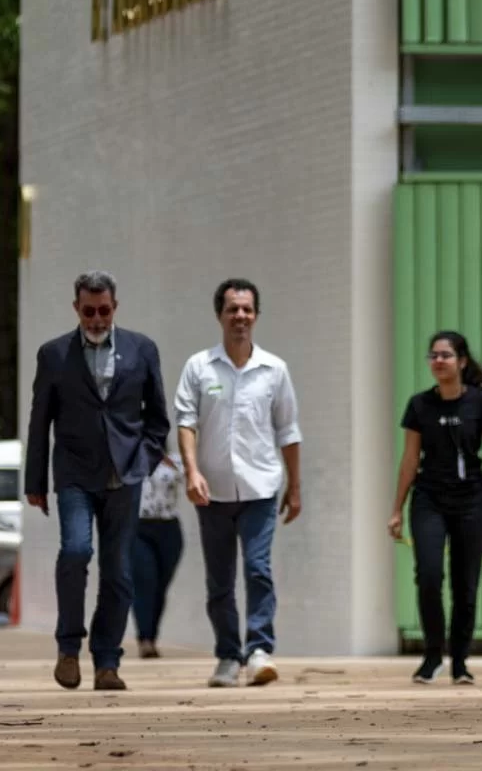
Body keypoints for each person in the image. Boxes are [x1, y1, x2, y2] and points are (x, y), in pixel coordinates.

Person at [24, 270, 170, 692]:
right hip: (73, 473)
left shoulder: (142, 350)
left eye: (104, 310)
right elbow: (39, 422)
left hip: (125, 474)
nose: (96, 318)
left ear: (115, 307)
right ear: (76, 309)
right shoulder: (53, 355)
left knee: (119, 572)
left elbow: (157, 418)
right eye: (89, 311)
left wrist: (145, 458)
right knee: (75, 551)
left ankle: (107, 662)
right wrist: (35, 479)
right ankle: (68, 649)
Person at [175, 278, 303, 690]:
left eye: (247, 309)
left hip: (261, 489)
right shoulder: (199, 367)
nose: (240, 317)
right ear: (220, 316)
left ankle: (260, 650)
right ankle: (228, 655)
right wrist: (192, 472)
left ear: (257, 315)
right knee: (219, 581)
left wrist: (295, 487)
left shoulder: (274, 370)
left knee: (257, 568)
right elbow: (186, 422)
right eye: (233, 310)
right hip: (210, 492)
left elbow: (288, 430)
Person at [387, 330, 482, 685]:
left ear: (461, 361)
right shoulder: (419, 405)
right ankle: (431, 656)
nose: (438, 361)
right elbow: (410, 459)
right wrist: (396, 508)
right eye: (433, 356)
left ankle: (459, 661)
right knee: (428, 574)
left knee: (465, 582)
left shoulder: (481, 402)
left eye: (445, 355)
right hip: (429, 498)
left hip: (472, 500)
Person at [130, 439, 185, 659]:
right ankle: (144, 638)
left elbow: (191, 477)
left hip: (168, 527)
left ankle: (152, 636)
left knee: (160, 587)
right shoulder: (129, 460)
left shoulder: (174, 461)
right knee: (145, 581)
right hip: (138, 526)